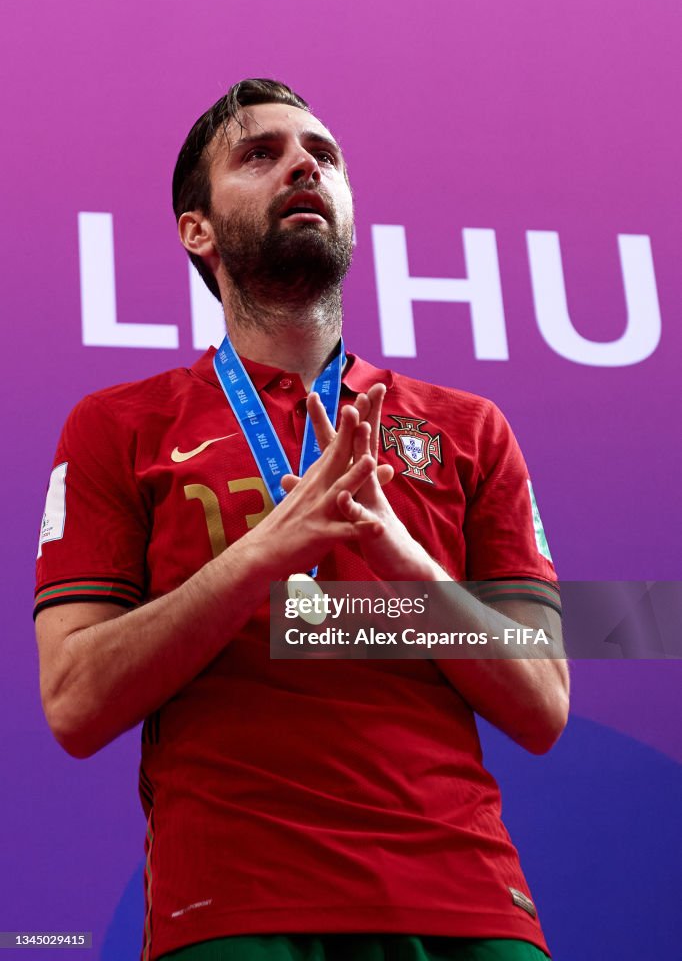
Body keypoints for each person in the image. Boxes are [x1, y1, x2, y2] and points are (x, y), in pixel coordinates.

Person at [35, 79, 569, 961]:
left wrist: (397, 555)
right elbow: (75, 701)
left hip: (468, 906)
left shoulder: (469, 428)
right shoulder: (116, 425)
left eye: (321, 156)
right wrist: (263, 556)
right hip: (229, 910)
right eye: (261, 154)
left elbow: (543, 703)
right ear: (195, 231)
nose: (301, 167)